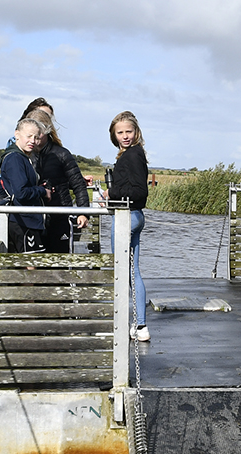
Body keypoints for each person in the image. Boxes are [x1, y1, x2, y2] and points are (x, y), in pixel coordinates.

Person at [104, 111, 150, 341]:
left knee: (120, 270)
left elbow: (140, 192)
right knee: (134, 272)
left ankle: (121, 322)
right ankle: (140, 326)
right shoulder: (133, 154)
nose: (125, 136)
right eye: (120, 132)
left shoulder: (131, 155)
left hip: (127, 217)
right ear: (114, 134)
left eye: (128, 131)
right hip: (135, 216)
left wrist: (111, 192)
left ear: (136, 132)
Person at [25, 109, 94, 253]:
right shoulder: (22, 156)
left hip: (60, 216)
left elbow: (78, 185)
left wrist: (83, 213)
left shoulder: (62, 154)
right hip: (33, 218)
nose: (35, 139)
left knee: (59, 262)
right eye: (31, 134)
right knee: (34, 263)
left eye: (39, 134)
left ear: (48, 131)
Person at [0, 117, 52, 253]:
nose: (33, 141)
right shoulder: (14, 158)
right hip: (21, 222)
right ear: (17, 134)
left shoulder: (24, 157)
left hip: (25, 220)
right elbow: (20, 193)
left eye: (36, 137)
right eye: (28, 136)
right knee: (30, 268)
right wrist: (43, 191)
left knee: (28, 267)